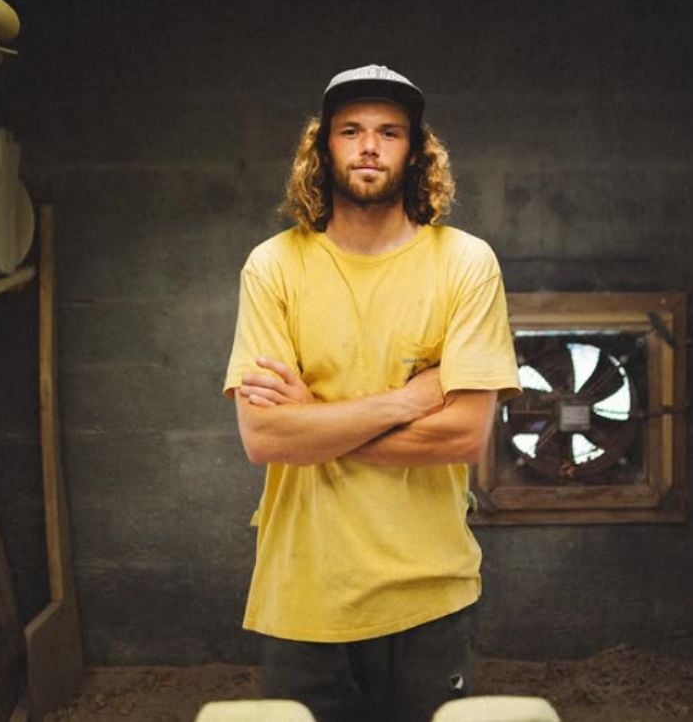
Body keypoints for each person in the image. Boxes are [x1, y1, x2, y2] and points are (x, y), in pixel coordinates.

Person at [223, 64, 521, 722]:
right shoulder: (273, 266)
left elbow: (465, 436)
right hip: (304, 592)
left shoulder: (466, 263)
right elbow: (264, 437)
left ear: (415, 152)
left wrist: (314, 423)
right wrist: (408, 401)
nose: (368, 146)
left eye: (389, 132)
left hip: (429, 593)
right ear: (322, 147)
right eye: (350, 130)